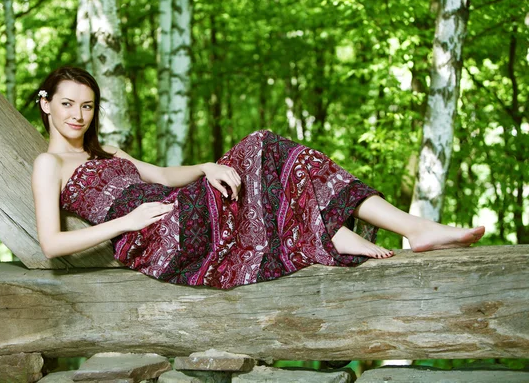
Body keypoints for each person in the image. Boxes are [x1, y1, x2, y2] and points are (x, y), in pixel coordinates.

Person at [31, 66, 485, 289]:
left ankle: (374, 229)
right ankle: (360, 231)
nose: (78, 115)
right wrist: (127, 224)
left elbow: (164, 175)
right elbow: (50, 244)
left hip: (176, 208)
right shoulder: (47, 165)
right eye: (67, 103)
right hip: (155, 237)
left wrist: (206, 167)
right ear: (46, 103)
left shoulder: (108, 150)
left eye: (87, 106)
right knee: (262, 146)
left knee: (268, 153)